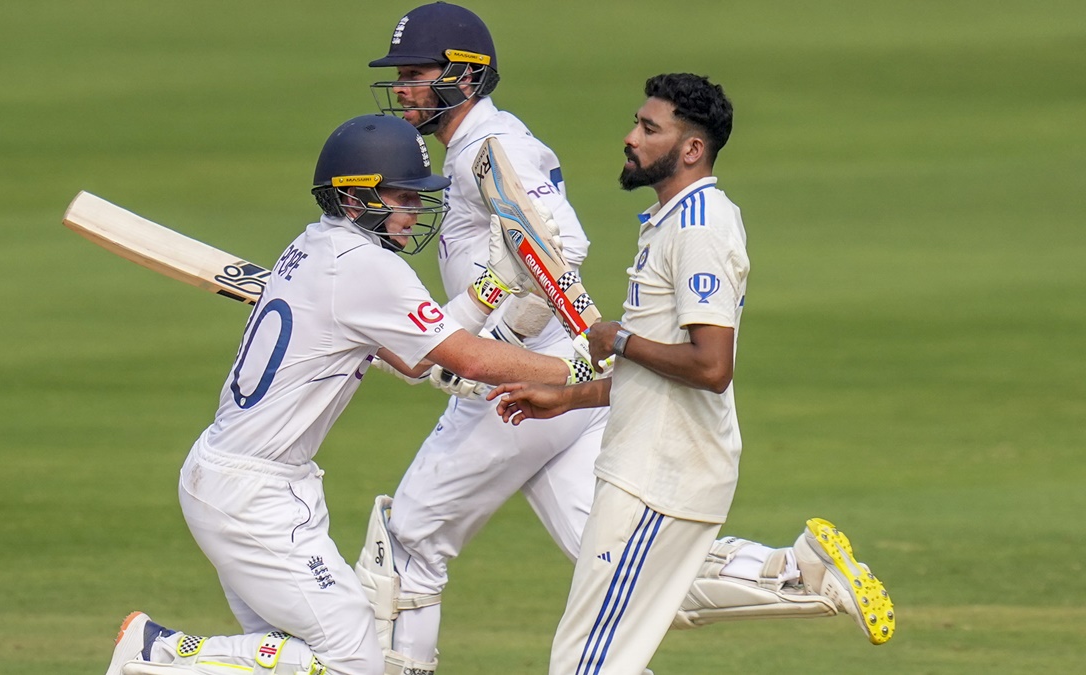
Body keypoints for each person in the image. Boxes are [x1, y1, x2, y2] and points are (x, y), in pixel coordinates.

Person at [357, 5, 893, 675]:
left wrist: (487, 343)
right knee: (622, 571)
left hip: (522, 374)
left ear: (464, 77)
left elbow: (556, 246)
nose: (403, 88)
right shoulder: (478, 148)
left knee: (408, 541)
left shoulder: (491, 148)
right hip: (559, 383)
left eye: (415, 74)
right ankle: (795, 573)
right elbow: (523, 259)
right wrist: (474, 337)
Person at [102, 113, 596, 675]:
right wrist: (576, 368)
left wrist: (493, 286)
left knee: (296, 660)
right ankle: (157, 653)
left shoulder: (316, 246)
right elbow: (468, 358)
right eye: (403, 197)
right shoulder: (365, 266)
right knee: (354, 663)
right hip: (252, 497)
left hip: (244, 480)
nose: (415, 210)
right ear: (356, 199)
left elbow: (413, 360)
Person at [491, 74, 895, 674]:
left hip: (658, 475)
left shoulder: (699, 229)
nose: (630, 137)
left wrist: (617, 339)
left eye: (648, 128)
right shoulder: (674, 220)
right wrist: (571, 397)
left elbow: (710, 366)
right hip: (656, 465)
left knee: (587, 664)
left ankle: (805, 572)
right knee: (620, 648)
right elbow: (659, 375)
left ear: (691, 149)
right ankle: (803, 572)